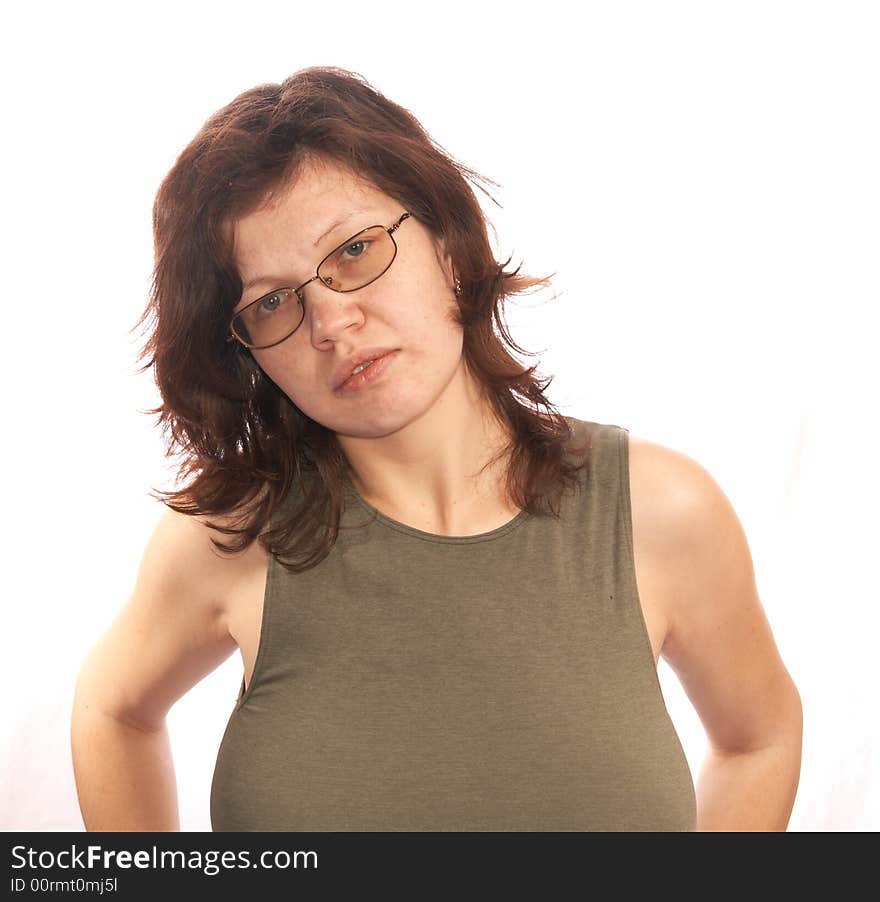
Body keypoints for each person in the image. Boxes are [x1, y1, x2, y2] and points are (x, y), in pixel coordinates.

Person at [70, 66, 802, 832]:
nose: (331, 322)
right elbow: (110, 708)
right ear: (249, 351)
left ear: (449, 243)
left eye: (354, 251)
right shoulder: (231, 538)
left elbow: (761, 737)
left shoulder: (661, 512)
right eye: (274, 301)